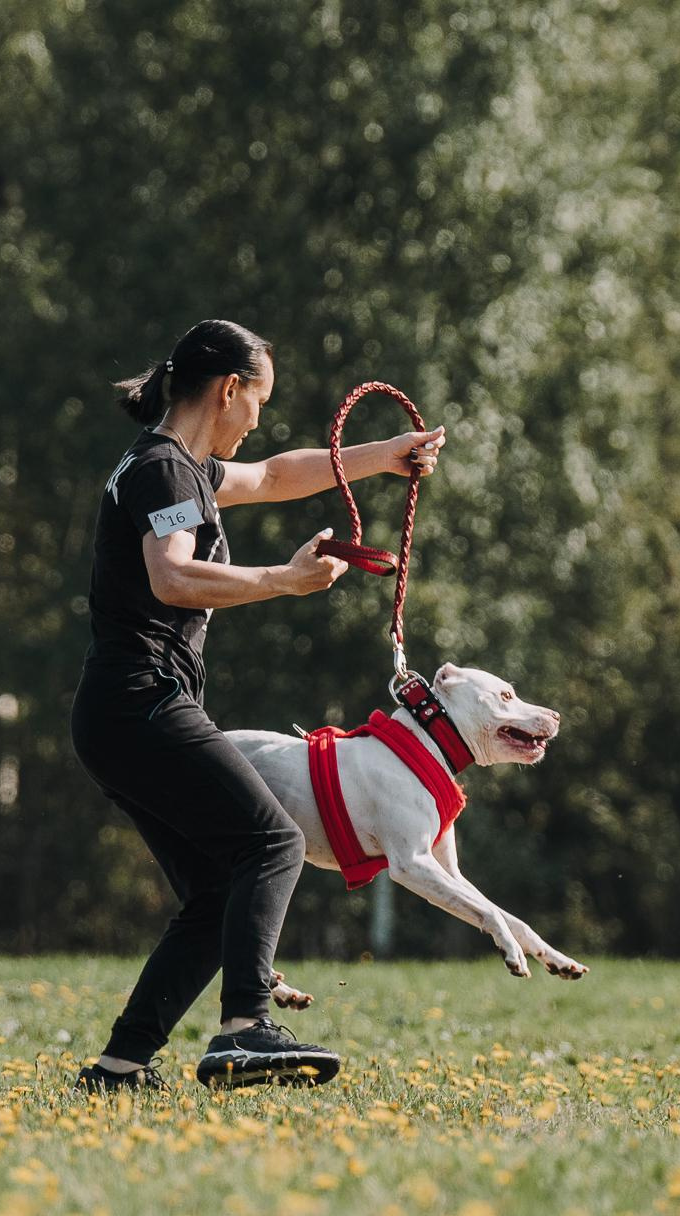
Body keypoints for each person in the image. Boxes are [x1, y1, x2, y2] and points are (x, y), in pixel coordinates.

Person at [70, 319, 444, 1092]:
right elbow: (172, 577)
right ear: (229, 389)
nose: (260, 420)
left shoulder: (183, 470)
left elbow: (275, 476)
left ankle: (119, 1066)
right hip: (138, 701)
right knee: (271, 845)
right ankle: (244, 1029)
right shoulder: (167, 475)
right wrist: (283, 579)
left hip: (123, 711)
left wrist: (385, 458)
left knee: (216, 891)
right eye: (259, 401)